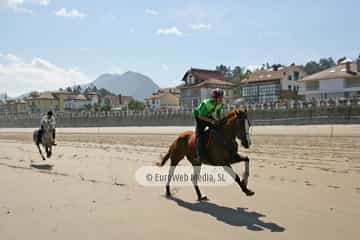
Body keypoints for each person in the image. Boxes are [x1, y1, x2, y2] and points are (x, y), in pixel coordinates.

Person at [193, 88, 224, 161]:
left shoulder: (220, 104)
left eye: (222, 97)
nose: (221, 99)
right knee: (199, 135)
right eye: (220, 98)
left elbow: (218, 113)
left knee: (218, 129)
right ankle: (199, 155)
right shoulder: (207, 103)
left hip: (207, 115)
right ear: (215, 98)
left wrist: (219, 121)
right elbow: (201, 116)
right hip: (199, 116)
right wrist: (211, 120)